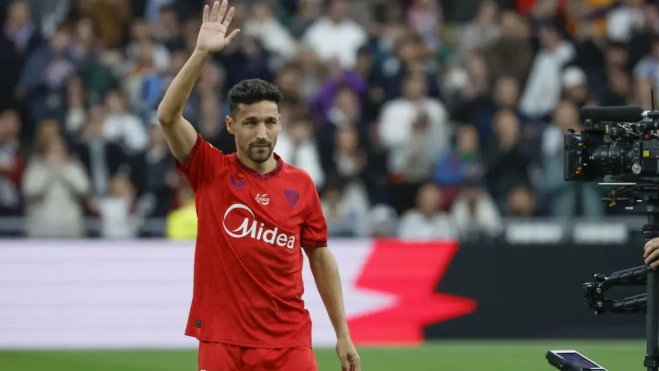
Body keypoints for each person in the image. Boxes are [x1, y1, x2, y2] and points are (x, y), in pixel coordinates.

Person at [155, 2, 361, 371]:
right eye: (251, 123)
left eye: (270, 122)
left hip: (289, 342)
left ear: (281, 123)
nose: (262, 133)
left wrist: (342, 332)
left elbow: (319, 256)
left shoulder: (301, 184)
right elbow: (168, 116)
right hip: (223, 340)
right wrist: (201, 54)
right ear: (231, 125)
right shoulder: (210, 170)